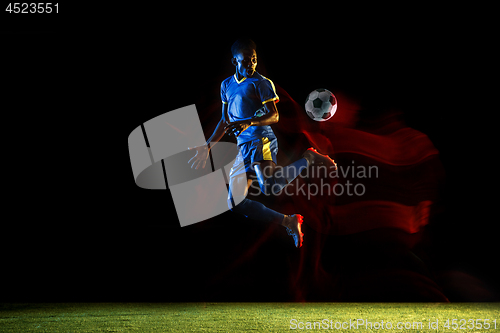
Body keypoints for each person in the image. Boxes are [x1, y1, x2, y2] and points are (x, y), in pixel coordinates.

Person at [188, 38, 336, 248]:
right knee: (235, 203)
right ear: (234, 61)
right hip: (242, 147)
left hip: (260, 138)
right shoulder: (226, 85)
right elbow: (225, 120)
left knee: (270, 187)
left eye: (254, 60)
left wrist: (248, 122)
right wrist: (207, 146)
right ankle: (289, 220)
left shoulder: (262, 83)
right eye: (246, 61)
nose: (251, 65)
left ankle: (309, 158)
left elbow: (274, 115)